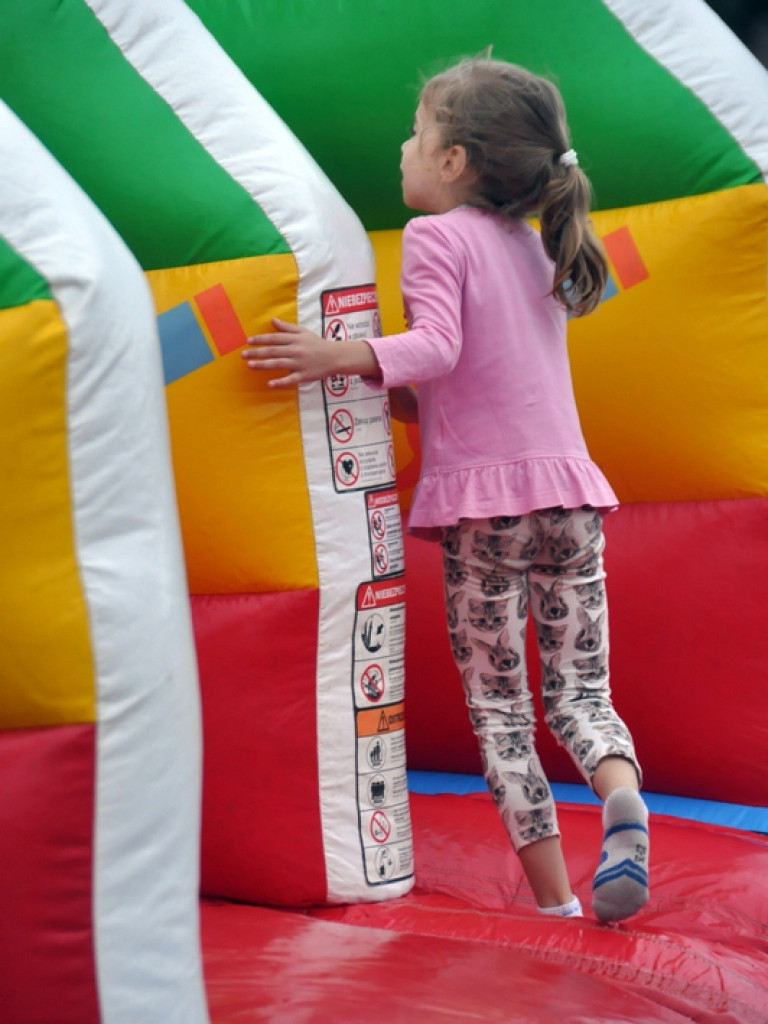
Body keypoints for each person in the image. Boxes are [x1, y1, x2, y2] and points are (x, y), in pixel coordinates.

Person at [242, 57, 649, 923]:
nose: (405, 147)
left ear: (457, 161)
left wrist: (339, 356)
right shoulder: (541, 243)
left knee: (503, 710)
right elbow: (480, 386)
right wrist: (392, 394)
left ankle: (556, 904)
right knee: (581, 694)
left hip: (485, 517)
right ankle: (624, 804)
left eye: (418, 132)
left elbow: (438, 348)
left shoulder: (437, 236)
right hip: (571, 502)